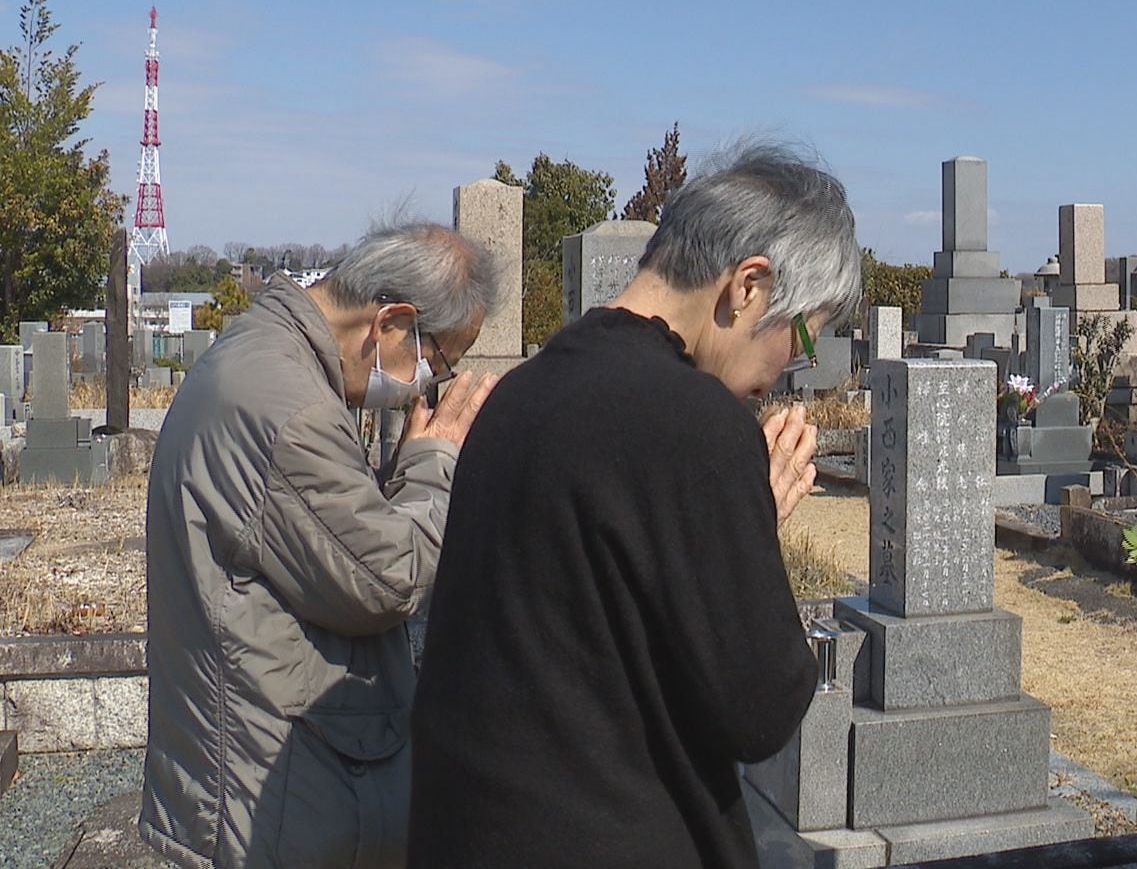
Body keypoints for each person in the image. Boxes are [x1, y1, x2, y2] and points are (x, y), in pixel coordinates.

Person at [408, 141, 860, 868]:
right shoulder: (694, 422)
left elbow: (586, 630)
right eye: (802, 333)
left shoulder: (522, 394)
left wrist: (733, 525)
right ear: (748, 286)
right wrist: (753, 529)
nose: (785, 371)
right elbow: (761, 705)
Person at [139, 221, 499, 869]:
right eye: (434, 360)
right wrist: (434, 464)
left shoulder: (269, 358)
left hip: (268, 776)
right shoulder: (287, 406)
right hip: (278, 803)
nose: (422, 386)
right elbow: (383, 578)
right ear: (390, 322)